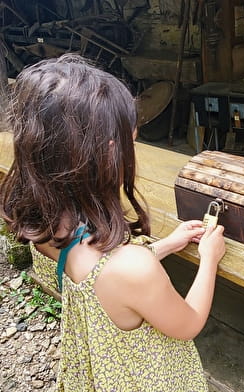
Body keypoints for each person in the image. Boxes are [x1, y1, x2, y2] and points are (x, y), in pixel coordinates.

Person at [0, 54, 226, 391]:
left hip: (97, 370)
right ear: (105, 154)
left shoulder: (43, 223)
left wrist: (165, 245)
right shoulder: (133, 268)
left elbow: (103, 277)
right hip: (145, 378)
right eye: (130, 142)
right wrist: (209, 259)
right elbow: (188, 323)